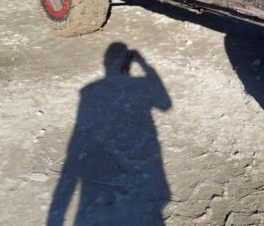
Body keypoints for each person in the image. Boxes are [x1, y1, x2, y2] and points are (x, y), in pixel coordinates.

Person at [47, 42, 172, 225]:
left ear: (105, 63)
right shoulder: (137, 86)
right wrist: (144, 64)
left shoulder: (89, 91)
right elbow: (164, 103)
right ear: (127, 63)